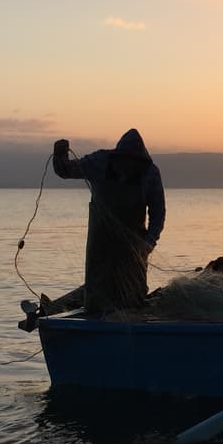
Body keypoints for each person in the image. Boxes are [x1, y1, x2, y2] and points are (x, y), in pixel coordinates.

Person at [52, 128, 166, 315]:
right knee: (97, 295)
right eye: (124, 159)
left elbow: (158, 213)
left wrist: (147, 244)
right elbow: (65, 170)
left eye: (133, 161)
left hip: (133, 247)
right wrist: (60, 155)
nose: (128, 165)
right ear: (117, 155)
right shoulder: (100, 162)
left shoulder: (150, 174)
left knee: (132, 299)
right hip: (100, 244)